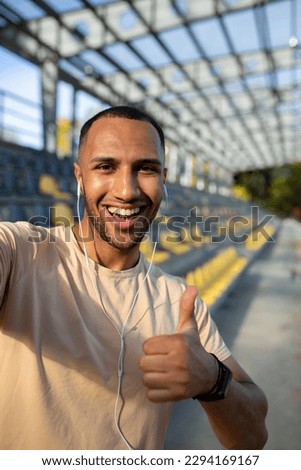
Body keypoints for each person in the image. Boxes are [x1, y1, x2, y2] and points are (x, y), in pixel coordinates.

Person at [0, 106, 268, 450]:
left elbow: (253, 439)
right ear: (80, 177)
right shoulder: (23, 253)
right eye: (106, 167)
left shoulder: (179, 300)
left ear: (164, 179)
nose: (126, 191)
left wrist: (214, 379)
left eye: (146, 168)